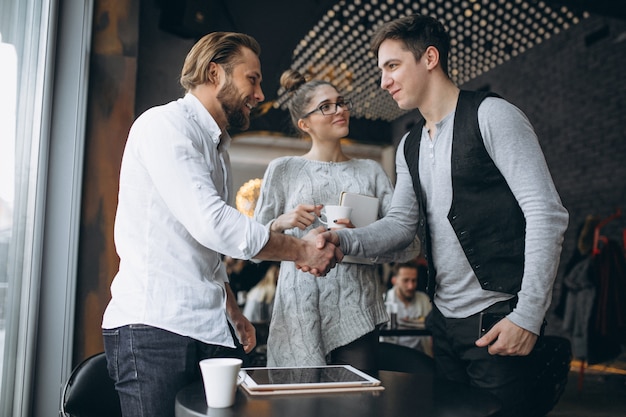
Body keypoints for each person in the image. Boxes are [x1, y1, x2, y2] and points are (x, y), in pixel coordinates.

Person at [316, 14, 569, 417]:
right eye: (381, 70)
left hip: (499, 320)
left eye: (392, 66)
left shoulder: (492, 116)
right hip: (444, 324)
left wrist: (528, 315)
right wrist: (342, 240)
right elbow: (401, 225)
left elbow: (546, 214)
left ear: (430, 57)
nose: (383, 82)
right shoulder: (408, 145)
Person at [101, 32, 341, 417]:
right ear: (215, 73)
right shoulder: (164, 125)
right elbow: (213, 224)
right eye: (253, 79)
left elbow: (205, 250)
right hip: (154, 330)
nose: (260, 94)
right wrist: (301, 249)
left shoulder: (218, 145)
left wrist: (232, 311)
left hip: (210, 327)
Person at [253, 69, 419, 372]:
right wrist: (281, 222)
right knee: (299, 407)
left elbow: (409, 245)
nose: (340, 110)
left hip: (358, 309)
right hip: (299, 310)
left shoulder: (371, 171)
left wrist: (364, 238)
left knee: (357, 405)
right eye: (326, 106)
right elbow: (250, 248)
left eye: (341, 103)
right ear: (305, 124)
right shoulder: (283, 170)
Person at [382, 261, 432, 356]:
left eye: (414, 280)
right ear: (394, 281)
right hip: (392, 358)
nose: (411, 286)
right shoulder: (383, 301)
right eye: (406, 280)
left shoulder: (424, 299)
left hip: (421, 357)